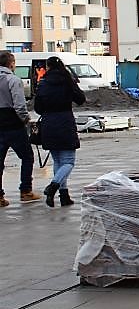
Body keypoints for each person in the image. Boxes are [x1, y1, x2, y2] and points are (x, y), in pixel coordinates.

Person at [34, 56, 86, 207]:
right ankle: (53, 186)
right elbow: (80, 99)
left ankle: (64, 196)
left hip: (49, 124)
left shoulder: (43, 83)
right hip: (65, 123)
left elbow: (38, 108)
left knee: (58, 161)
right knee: (68, 161)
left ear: (48, 68)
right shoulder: (67, 81)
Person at [0, 51, 41, 207]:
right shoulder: (13, 80)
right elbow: (19, 104)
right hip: (13, 125)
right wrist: (26, 119)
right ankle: (26, 191)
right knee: (27, 157)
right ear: (11, 63)